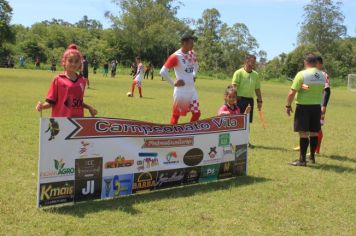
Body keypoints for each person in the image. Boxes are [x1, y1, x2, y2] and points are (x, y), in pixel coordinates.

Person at [35, 44, 97, 118]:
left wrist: (89, 107)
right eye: (70, 61)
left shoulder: (82, 81)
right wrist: (42, 106)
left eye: (76, 61)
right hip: (61, 122)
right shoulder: (58, 79)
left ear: (80, 63)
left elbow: (76, 102)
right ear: (64, 62)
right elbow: (51, 102)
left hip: (78, 122)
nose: (73, 64)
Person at [286, 53, 326, 166]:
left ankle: (302, 160)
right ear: (315, 62)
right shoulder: (323, 75)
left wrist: (288, 105)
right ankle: (312, 157)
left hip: (303, 107)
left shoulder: (301, 74)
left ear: (305, 62)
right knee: (314, 133)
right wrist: (304, 87)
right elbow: (320, 90)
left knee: (303, 133)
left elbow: (291, 93)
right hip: (316, 107)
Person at [292, 56, 331, 155]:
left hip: (318, 104)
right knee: (306, 128)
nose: (314, 66)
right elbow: (308, 88)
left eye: (316, 63)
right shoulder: (309, 74)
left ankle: (315, 150)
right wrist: (302, 86)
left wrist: (324, 105)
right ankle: (304, 147)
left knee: (317, 128)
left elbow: (326, 91)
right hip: (311, 104)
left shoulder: (323, 75)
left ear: (320, 64)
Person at [160, 33, 200, 125]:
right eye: (191, 43)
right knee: (176, 116)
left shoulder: (192, 53)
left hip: (192, 91)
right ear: (184, 43)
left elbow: (196, 65)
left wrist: (194, 75)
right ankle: (172, 134)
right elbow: (163, 71)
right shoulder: (175, 56)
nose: (193, 45)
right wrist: (173, 83)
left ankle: (190, 131)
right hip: (181, 92)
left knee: (197, 114)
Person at [232, 54, 263, 147]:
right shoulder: (238, 73)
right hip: (239, 99)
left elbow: (257, 89)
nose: (253, 63)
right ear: (246, 61)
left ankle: (245, 141)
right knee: (238, 121)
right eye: (251, 61)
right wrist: (233, 100)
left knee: (247, 122)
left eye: (254, 62)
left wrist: (260, 101)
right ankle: (235, 141)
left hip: (249, 101)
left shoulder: (255, 75)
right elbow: (234, 87)